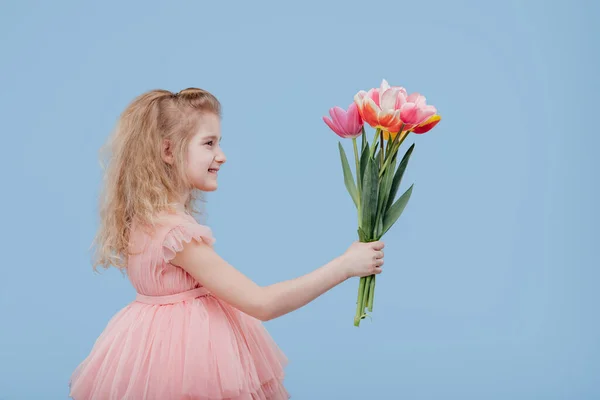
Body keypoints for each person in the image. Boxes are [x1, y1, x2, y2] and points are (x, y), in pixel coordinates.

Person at [68, 87, 385, 400]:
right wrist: (345, 266)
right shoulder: (176, 236)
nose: (221, 155)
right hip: (188, 364)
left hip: (150, 352)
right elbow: (261, 303)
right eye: (208, 144)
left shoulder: (146, 220)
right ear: (168, 151)